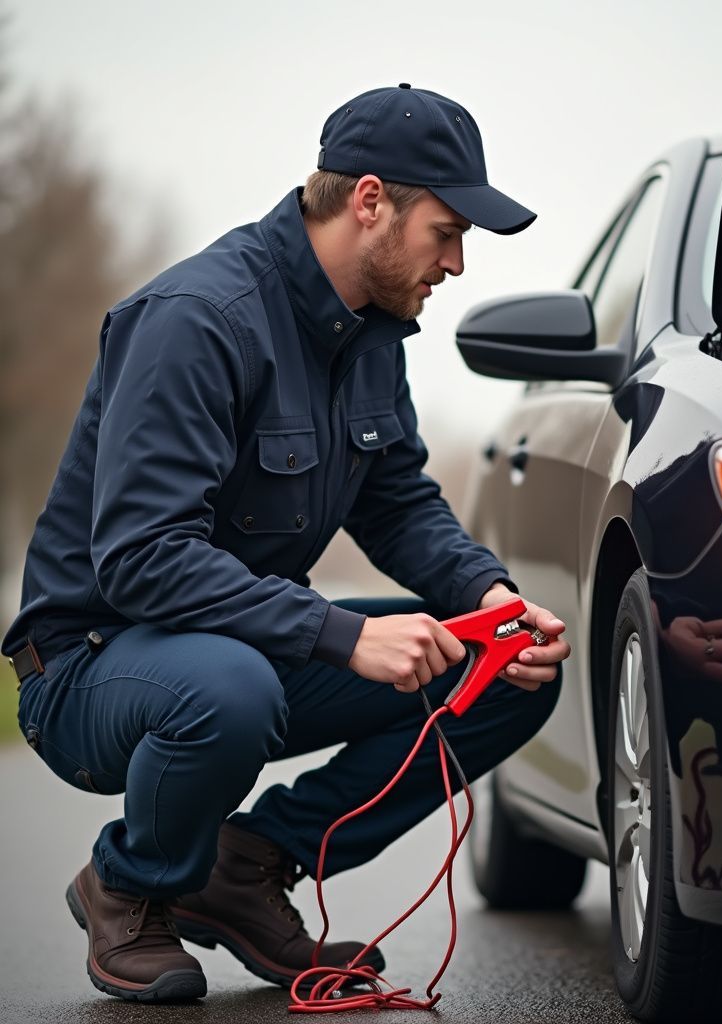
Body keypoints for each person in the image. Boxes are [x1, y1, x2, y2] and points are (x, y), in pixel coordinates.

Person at [2, 83, 570, 1004]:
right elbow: (142, 556)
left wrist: (489, 598)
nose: (458, 264)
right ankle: (129, 884)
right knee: (231, 687)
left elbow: (395, 503)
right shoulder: (197, 318)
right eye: (447, 231)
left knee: (500, 675)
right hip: (89, 667)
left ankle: (248, 864)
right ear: (372, 201)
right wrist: (344, 635)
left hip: (243, 647)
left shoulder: (374, 337)